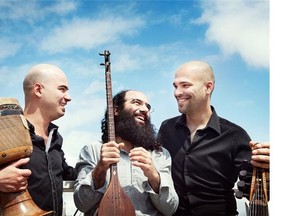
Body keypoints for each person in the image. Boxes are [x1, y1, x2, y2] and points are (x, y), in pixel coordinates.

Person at [157, 61, 270, 216]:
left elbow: (259, 187)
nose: (177, 92)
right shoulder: (166, 128)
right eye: (175, 86)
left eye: (185, 85)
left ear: (208, 87)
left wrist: (268, 167)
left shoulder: (235, 135)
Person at [73, 90, 179, 216]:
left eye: (148, 106)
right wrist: (100, 169)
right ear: (116, 110)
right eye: (136, 103)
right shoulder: (93, 150)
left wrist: (153, 175)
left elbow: (170, 208)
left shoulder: (159, 154)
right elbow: (81, 203)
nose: (144, 109)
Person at [19, 63, 77, 215]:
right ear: (38, 90)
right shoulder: (6, 131)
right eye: (62, 89)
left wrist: (101, 165)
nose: (68, 97)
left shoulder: (56, 138)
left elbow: (68, 174)